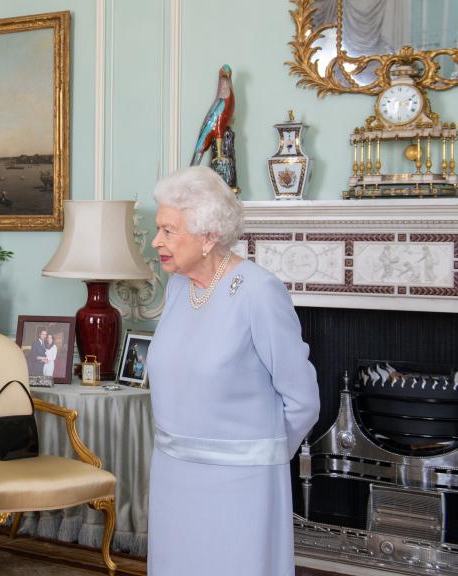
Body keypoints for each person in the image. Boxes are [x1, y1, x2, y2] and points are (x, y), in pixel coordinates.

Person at [145, 166, 319, 576]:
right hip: (174, 476)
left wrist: (261, 457)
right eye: (159, 229)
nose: (157, 242)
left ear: (208, 237)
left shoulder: (259, 292)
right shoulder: (177, 287)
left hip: (242, 487)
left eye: (168, 231)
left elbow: (303, 400)